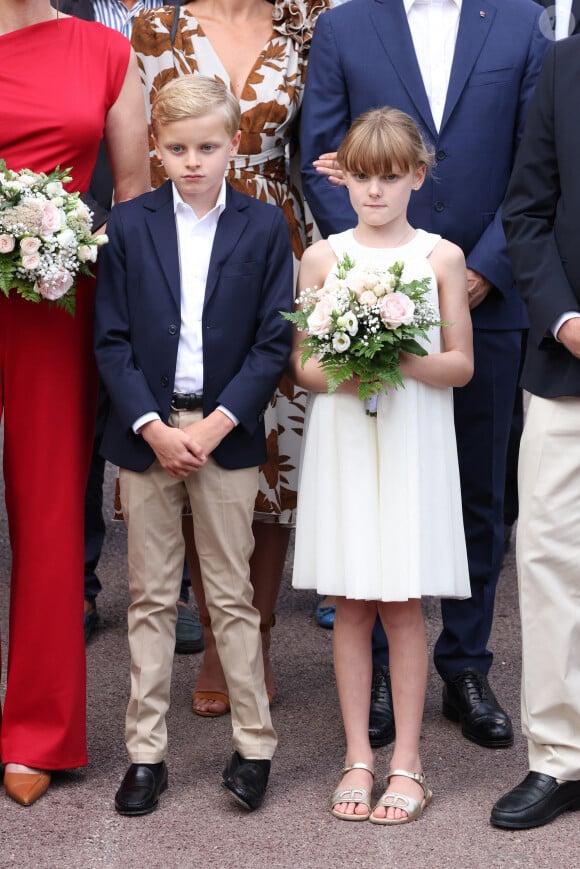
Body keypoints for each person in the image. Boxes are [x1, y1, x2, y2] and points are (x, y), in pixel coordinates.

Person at [300, 0, 548, 752]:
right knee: (374, 494)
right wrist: (372, 277)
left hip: (487, 294)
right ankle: (375, 668)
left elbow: (535, 157)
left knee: (478, 490)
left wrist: (483, 270)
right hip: (368, 291)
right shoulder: (345, 26)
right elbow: (319, 153)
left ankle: (466, 663)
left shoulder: (518, 21)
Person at [94, 75, 293, 815]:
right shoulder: (132, 224)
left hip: (224, 435)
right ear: (156, 147)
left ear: (233, 144)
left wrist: (214, 425)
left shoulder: (264, 226)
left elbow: (274, 340)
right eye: (177, 148)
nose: (193, 161)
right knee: (148, 595)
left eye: (208, 147)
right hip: (149, 434)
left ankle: (253, 745)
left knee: (231, 595)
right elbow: (111, 341)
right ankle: (146, 753)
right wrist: (151, 424)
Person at [131, 0, 329, 717]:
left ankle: (259, 636)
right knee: (191, 437)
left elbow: (326, 130)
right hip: (182, 238)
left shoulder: (305, 26)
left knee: (275, 450)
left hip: (279, 238)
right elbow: (136, 147)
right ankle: (215, 634)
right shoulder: (159, 30)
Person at [291, 107, 473, 824]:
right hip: (345, 433)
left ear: (416, 177)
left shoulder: (441, 258)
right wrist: (349, 359)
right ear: (345, 179)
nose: (374, 192)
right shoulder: (323, 257)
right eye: (362, 177)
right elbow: (303, 367)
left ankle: (408, 758)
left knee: (400, 601)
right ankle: (357, 752)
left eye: (390, 177)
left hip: (409, 436)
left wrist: (397, 353)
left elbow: (459, 364)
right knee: (352, 600)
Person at [0, 0, 149, 807]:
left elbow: (130, 205)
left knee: (52, 510)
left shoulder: (104, 52)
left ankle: (38, 729)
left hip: (56, 303)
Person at [53, 0, 201, 653]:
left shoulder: (187, 14)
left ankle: (181, 591)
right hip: (60, 244)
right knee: (74, 423)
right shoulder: (59, 12)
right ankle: (79, 582)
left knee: (173, 399)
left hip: (170, 231)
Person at [490, 35, 580, 831]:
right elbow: (528, 211)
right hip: (567, 363)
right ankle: (559, 757)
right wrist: (566, 318)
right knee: (549, 557)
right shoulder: (564, 64)